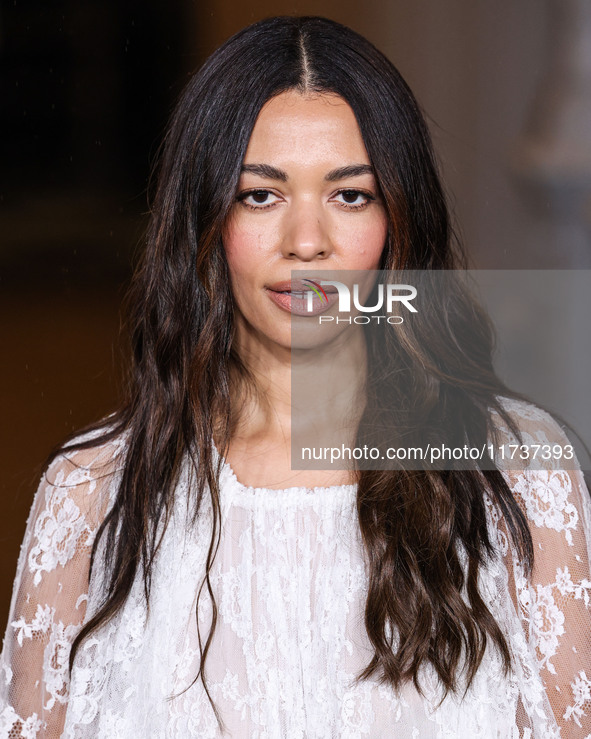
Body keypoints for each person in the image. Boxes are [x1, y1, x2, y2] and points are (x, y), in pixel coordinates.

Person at [1, 15, 590, 739]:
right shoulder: (91, 490)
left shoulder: (518, 472)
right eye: (261, 195)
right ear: (204, 221)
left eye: (350, 195)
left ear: (398, 222)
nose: (306, 241)